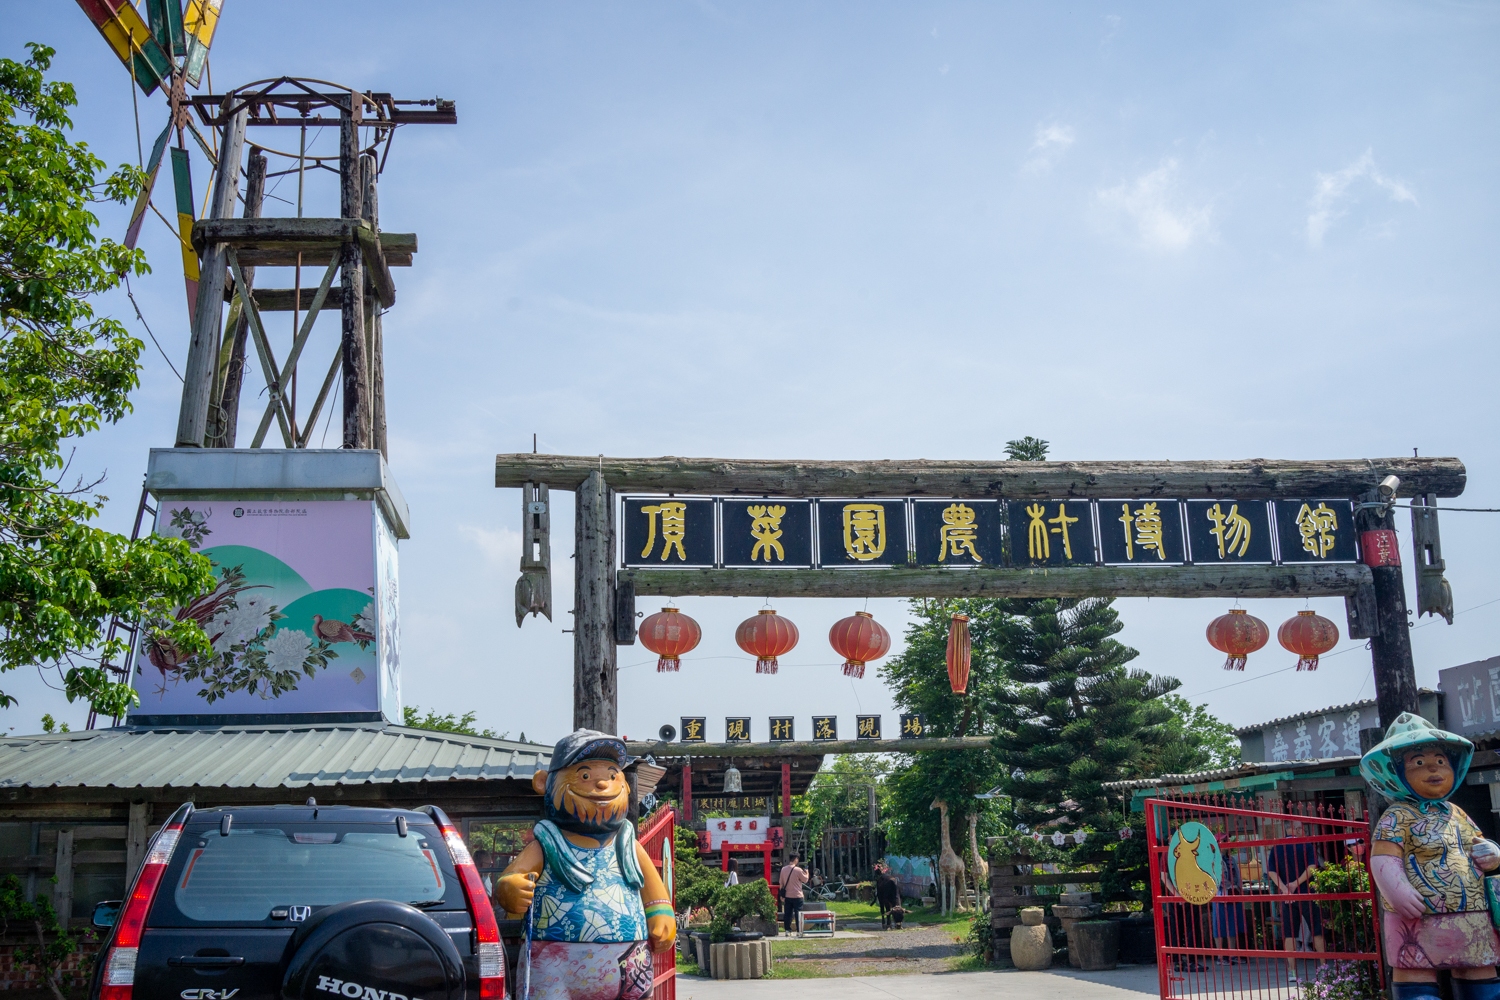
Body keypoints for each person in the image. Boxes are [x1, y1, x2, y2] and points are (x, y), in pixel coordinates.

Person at [1361, 713, 1500, 1000]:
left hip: (1473, 916)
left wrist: (1493, 853)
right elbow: (1382, 858)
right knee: (1415, 973)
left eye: (1440, 761)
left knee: (1480, 973)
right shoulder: (1396, 816)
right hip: (1416, 916)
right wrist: (1397, 891)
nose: (1433, 769)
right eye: (1419, 763)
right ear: (1397, 772)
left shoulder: (1458, 813)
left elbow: (1479, 845)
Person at [1268, 819, 1326, 985]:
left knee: (1289, 933)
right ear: (1292, 829)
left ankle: (1292, 971)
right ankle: (1323, 967)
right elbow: (1312, 868)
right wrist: (1295, 884)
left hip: (1287, 897)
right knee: (1316, 929)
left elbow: (1271, 871)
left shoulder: (1277, 847)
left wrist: (1285, 889)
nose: (1303, 831)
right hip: (1307, 893)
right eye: (1300, 828)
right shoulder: (1306, 845)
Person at [778, 853, 810, 932]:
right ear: (796, 859)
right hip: (797, 895)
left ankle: (787, 930)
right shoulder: (798, 870)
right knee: (798, 914)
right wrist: (807, 872)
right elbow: (805, 880)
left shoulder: (783, 869)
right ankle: (799, 930)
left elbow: (781, 883)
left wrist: (782, 895)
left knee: (787, 914)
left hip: (787, 896)